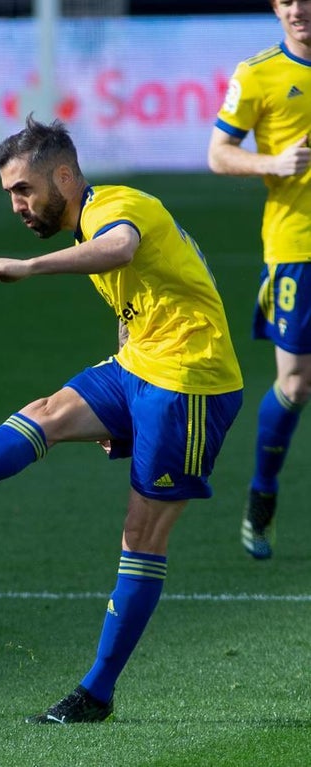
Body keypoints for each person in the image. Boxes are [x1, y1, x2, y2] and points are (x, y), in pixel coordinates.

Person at [0, 116, 244, 724]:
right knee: (48, 413)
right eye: (11, 193)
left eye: (23, 189)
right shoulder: (87, 219)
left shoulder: (117, 205)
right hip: (139, 366)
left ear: (63, 175)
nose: (17, 204)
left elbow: (120, 249)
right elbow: (134, 299)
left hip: (190, 385)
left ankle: (97, 691)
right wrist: (121, 409)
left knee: (142, 536)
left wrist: (28, 268)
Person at [208, 0, 311, 560]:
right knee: (296, 384)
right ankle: (262, 492)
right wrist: (271, 164)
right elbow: (219, 154)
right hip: (298, 247)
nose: (299, 9)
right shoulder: (258, 73)